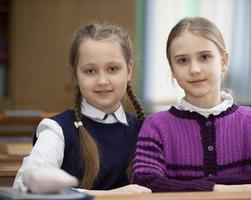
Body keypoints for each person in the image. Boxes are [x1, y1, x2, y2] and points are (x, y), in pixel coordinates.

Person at [132, 17, 251, 192]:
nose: (194, 69)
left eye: (204, 57)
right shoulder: (156, 126)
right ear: (172, 69)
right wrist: (217, 189)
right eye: (182, 60)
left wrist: (191, 187)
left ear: (224, 61)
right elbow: (145, 184)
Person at [13, 22, 151, 195]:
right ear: (76, 75)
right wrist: (111, 195)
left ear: (129, 70)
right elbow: (22, 189)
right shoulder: (57, 129)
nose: (102, 80)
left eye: (113, 69)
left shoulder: (147, 129)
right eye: (90, 71)